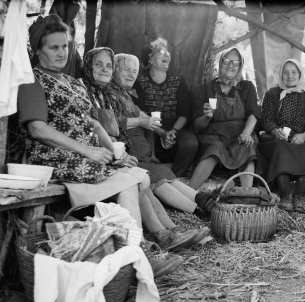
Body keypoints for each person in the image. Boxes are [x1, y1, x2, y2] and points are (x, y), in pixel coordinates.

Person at [18, 15, 189, 275]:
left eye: (65, 46)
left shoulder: (73, 83)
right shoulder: (33, 80)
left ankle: (151, 239)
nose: (62, 52)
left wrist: (112, 152)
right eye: (54, 47)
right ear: (37, 49)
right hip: (57, 156)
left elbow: (95, 125)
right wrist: (88, 150)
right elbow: (38, 129)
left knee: (141, 178)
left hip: (88, 155)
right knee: (132, 183)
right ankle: (138, 256)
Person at [106, 52, 216, 219]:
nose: (131, 74)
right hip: (128, 152)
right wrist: (142, 121)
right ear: (115, 70)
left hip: (141, 149)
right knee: (157, 178)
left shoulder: (125, 93)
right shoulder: (108, 94)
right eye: (126, 70)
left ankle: (201, 198)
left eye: (134, 71)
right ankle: (197, 210)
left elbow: (139, 113)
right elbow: (112, 124)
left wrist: (147, 120)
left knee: (165, 173)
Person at [259, 59, 305, 214]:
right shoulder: (271, 94)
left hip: (299, 138)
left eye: (294, 72)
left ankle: (299, 196)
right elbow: (266, 120)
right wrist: (275, 131)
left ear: (299, 74)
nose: (290, 76)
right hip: (278, 138)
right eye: (286, 72)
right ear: (281, 75)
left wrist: (304, 135)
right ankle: (286, 195)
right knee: (282, 147)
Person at [190, 48, 259, 189]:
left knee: (246, 148)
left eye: (235, 62)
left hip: (239, 133)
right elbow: (197, 125)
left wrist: (246, 133)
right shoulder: (205, 88)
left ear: (240, 66)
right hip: (215, 135)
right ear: (220, 63)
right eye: (226, 61)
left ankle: (247, 194)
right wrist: (207, 116)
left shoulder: (247, 87)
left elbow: (253, 114)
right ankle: (189, 191)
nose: (230, 65)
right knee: (215, 148)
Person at [133, 38, 198, 177]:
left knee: (191, 143)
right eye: (161, 51)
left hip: (175, 127)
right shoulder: (140, 82)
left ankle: (172, 177)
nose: (167, 54)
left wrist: (172, 131)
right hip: (150, 127)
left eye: (167, 52)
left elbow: (185, 112)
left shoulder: (178, 80)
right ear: (150, 59)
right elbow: (141, 113)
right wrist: (162, 133)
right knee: (146, 138)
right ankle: (152, 174)